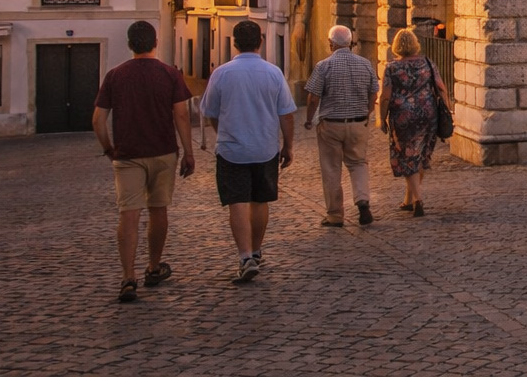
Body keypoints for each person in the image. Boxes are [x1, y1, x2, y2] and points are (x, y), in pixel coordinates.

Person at [92, 20, 195, 303]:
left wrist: (108, 148)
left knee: (129, 214)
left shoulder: (115, 75)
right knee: (158, 210)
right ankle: (153, 266)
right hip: (163, 152)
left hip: (128, 155)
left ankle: (128, 277)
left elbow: (98, 119)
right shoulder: (170, 74)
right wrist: (188, 151)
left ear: (130, 45)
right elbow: (181, 115)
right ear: (155, 43)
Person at [200, 20, 296, 284]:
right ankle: (256, 250)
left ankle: (244, 257)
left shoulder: (221, 73)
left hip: (232, 149)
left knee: (238, 202)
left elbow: (210, 112)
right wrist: (288, 146)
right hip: (265, 147)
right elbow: (286, 113)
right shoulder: (273, 73)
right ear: (260, 42)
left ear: (234, 43)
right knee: (260, 200)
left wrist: (221, 132)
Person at [302, 25, 379, 228]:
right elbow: (374, 93)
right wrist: (367, 112)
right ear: (350, 43)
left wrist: (309, 119)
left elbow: (313, 97)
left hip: (331, 124)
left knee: (331, 169)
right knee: (358, 163)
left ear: (331, 44)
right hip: (358, 123)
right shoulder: (365, 64)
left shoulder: (323, 66)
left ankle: (335, 215)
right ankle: (362, 200)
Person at [380, 28, 446, 216]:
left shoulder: (392, 68)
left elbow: (385, 96)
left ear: (396, 46)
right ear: (415, 44)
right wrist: (447, 112)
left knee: (408, 156)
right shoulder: (427, 63)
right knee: (420, 156)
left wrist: (382, 118)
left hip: (404, 117)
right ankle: (408, 200)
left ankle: (417, 199)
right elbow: (441, 88)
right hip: (428, 115)